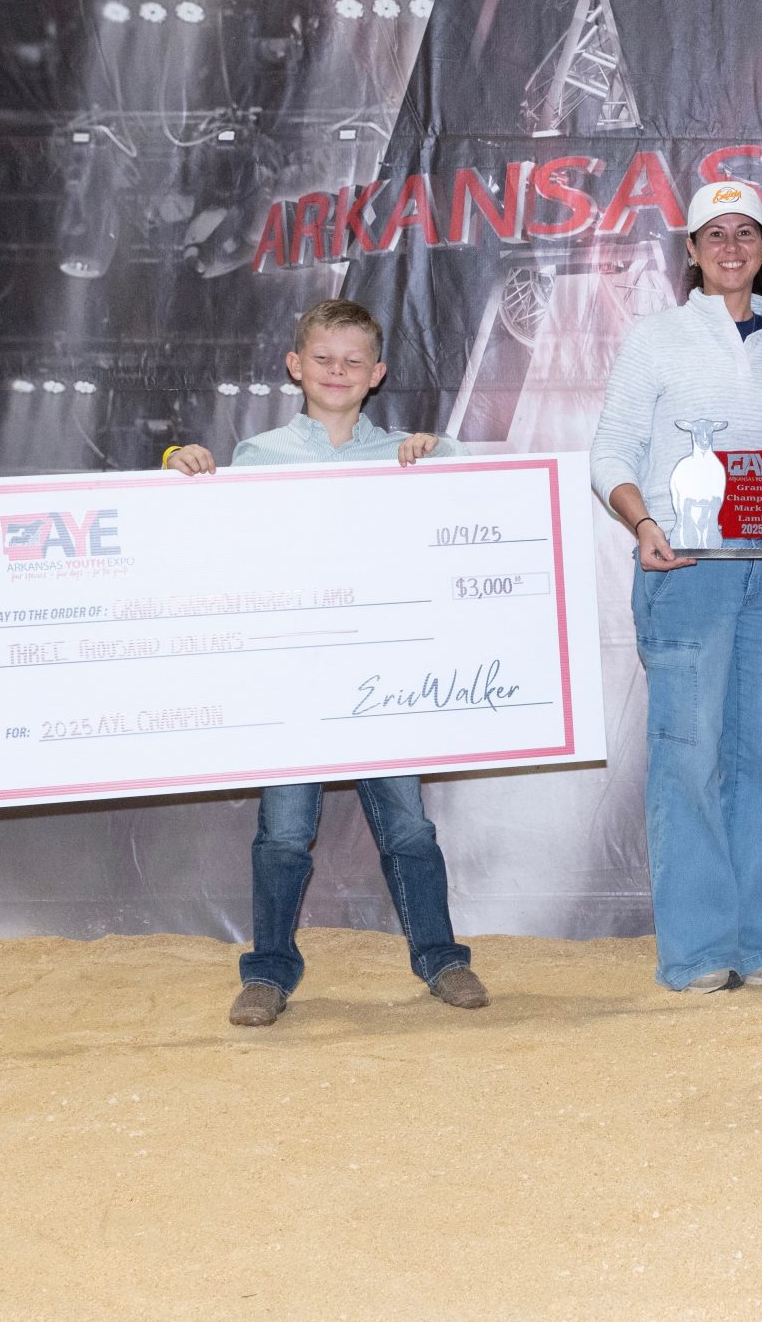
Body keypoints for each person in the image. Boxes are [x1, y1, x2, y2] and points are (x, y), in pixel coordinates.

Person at [165, 296, 490, 1028]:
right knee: (283, 830)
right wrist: (174, 465)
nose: (337, 371)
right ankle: (269, 971)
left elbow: (484, 499)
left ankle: (442, 958)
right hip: (294, 679)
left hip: (385, 679)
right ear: (295, 365)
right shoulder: (256, 457)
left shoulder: (409, 453)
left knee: (409, 827)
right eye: (322, 358)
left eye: (352, 361)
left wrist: (443, 452)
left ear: (377, 372)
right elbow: (211, 543)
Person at [593, 180, 762, 993]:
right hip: (688, 564)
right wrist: (644, 524)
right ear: (693, 250)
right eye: (716, 233)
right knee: (689, 754)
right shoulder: (656, 339)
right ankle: (700, 950)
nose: (732, 246)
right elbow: (610, 453)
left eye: (746, 232)